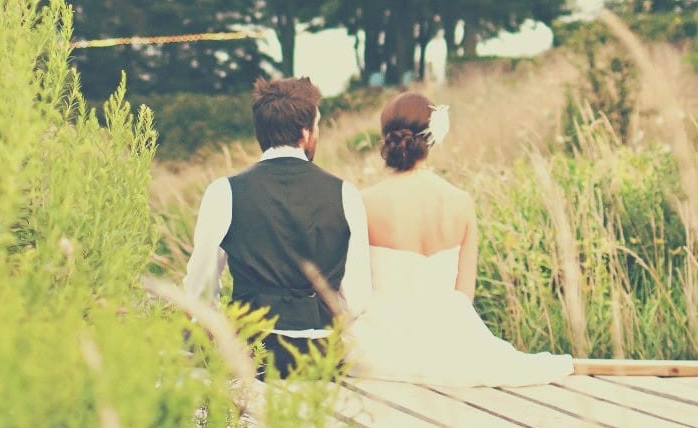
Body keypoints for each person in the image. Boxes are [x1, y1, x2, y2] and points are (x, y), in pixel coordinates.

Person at [345, 92, 573, 386]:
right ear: (433, 137)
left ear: (386, 138)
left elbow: (354, 289)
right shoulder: (460, 202)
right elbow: (465, 293)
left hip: (381, 342)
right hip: (449, 338)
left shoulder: (365, 202)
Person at [184, 77, 372, 378]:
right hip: (320, 357)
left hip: (250, 353)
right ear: (306, 132)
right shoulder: (346, 194)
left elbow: (200, 291)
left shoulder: (224, 192)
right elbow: (359, 299)